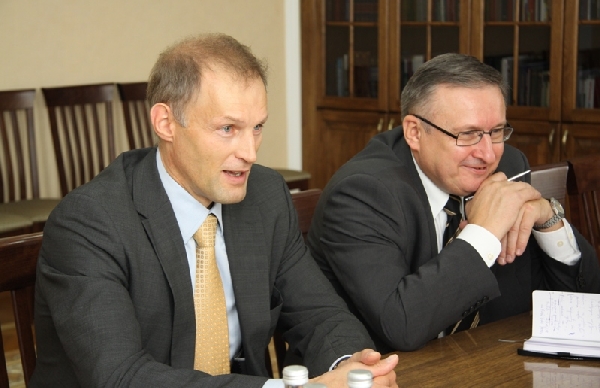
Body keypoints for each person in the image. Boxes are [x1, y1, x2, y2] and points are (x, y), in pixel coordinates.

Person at [30, 33, 398, 388]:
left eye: (257, 127)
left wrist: (351, 368)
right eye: (227, 128)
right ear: (166, 123)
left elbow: (319, 313)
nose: (250, 153)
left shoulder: (265, 196)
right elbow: (121, 377)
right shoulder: (90, 221)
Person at [307, 53, 600, 353]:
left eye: (496, 132)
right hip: (385, 371)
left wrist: (549, 218)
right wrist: (483, 233)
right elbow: (401, 325)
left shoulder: (508, 166)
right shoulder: (361, 194)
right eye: (468, 134)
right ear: (414, 133)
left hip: (483, 359)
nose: (488, 154)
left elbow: (583, 303)